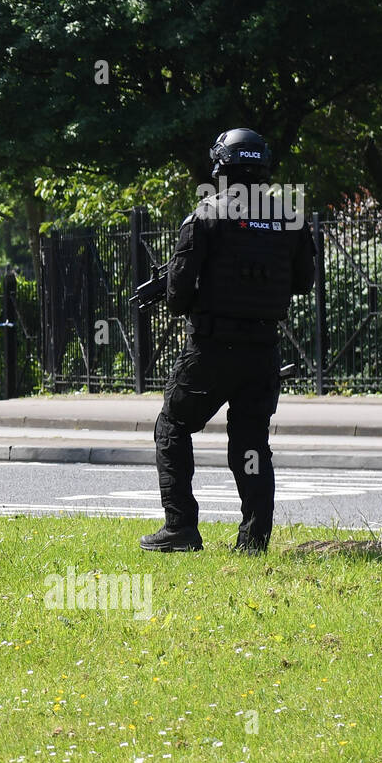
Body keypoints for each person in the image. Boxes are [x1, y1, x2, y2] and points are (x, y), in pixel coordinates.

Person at [141, 128, 315, 554]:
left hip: (212, 351)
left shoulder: (205, 216)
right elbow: (304, 282)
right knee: (252, 442)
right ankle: (254, 542)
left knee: (173, 426)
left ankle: (180, 528)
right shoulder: (291, 217)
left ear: (221, 166)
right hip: (263, 351)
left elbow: (179, 298)